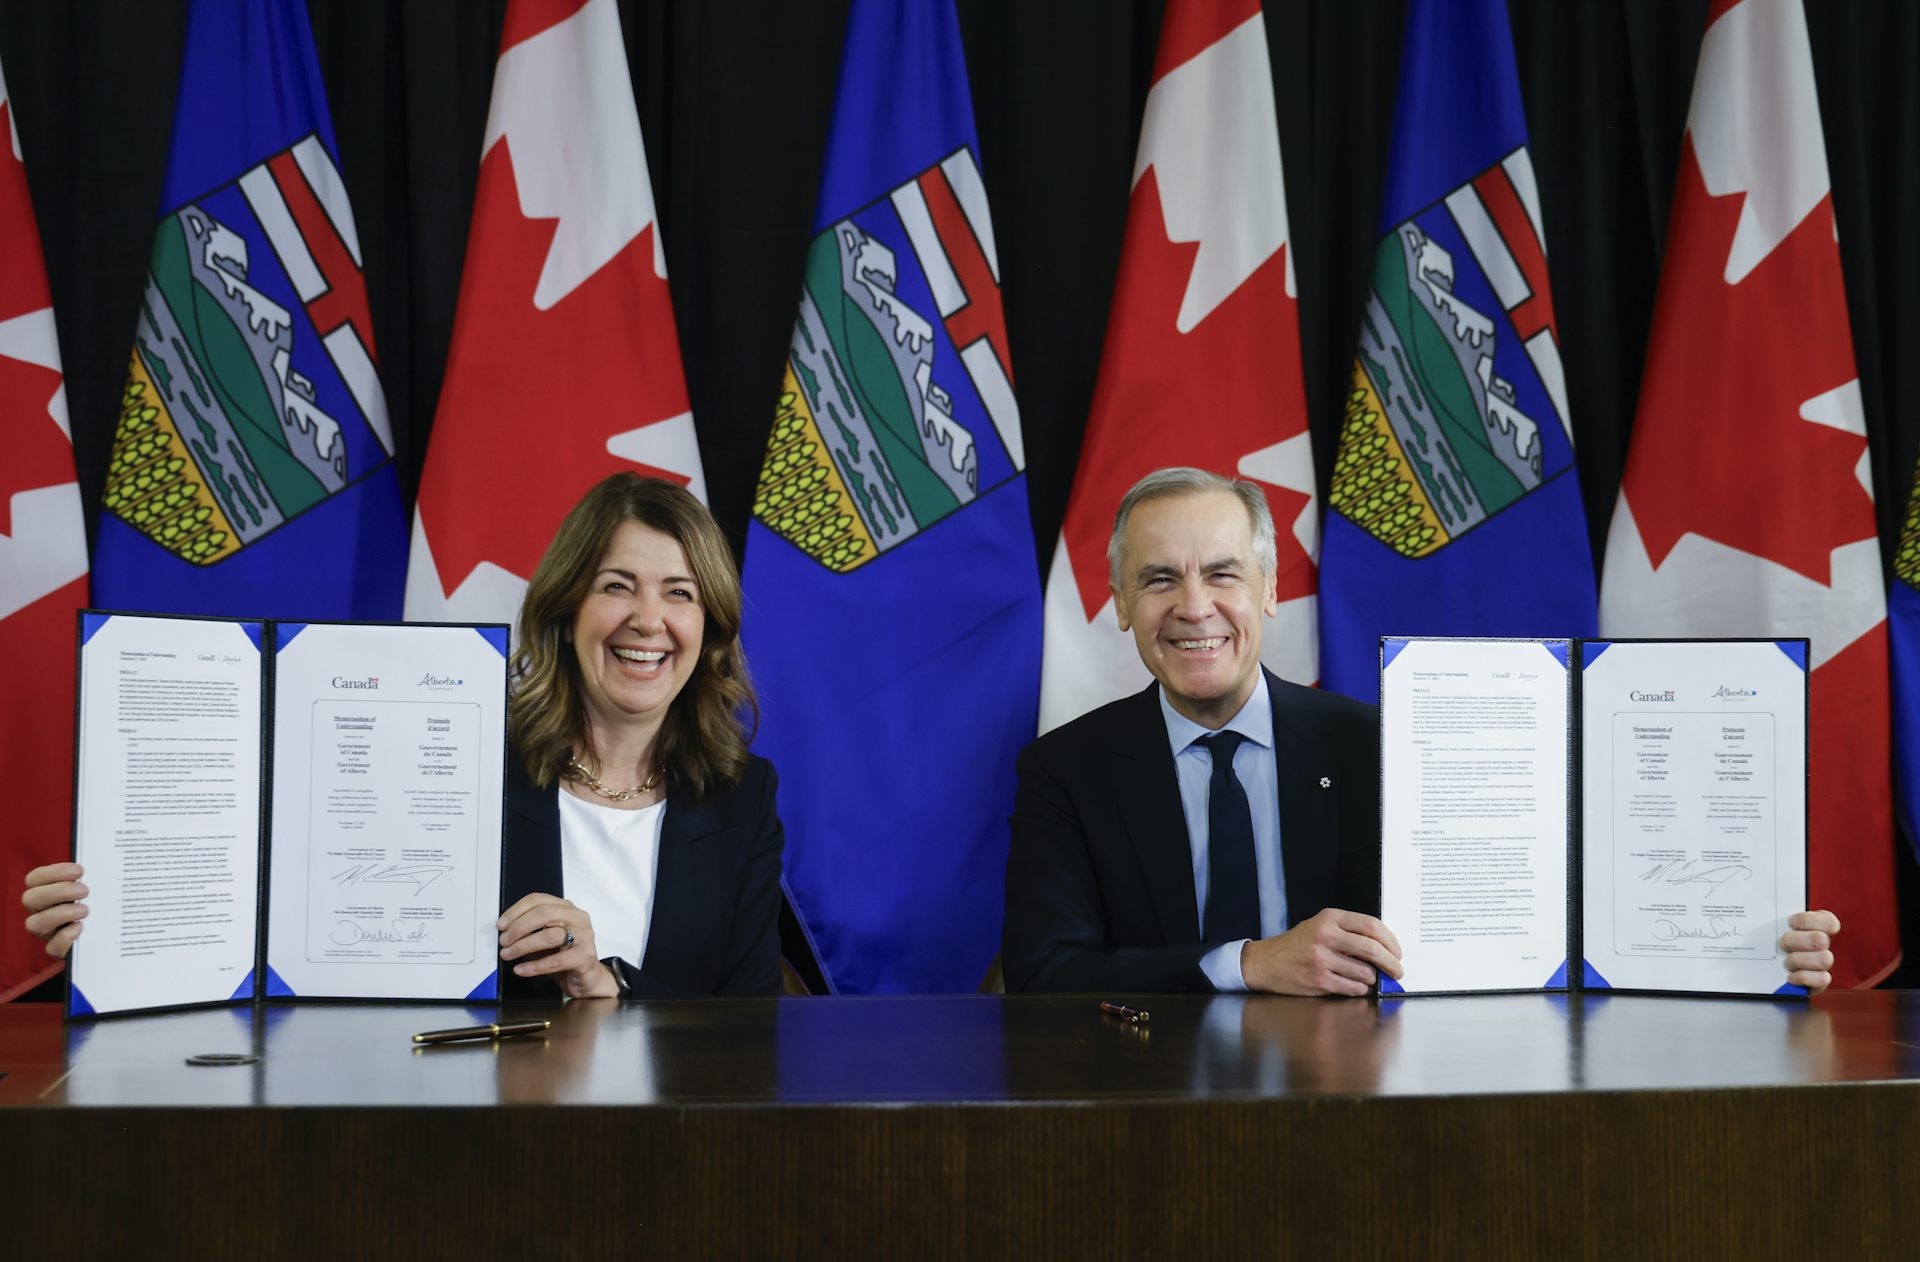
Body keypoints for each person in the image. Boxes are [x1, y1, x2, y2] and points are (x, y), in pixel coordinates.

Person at [1002, 466, 1841, 996]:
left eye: (1223, 573)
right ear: (1118, 604)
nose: (1194, 607)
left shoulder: (1385, 747)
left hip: (1372, 1111)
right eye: (1158, 580)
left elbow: (1540, 929)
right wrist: (1249, 963)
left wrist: (1743, 948)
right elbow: (1045, 975)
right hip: (1149, 1110)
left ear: (1269, 590)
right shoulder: (1063, 771)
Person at [23, 474, 784, 998]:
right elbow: (298, 929)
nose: (648, 620)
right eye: (617, 586)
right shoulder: (458, 766)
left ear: (709, 625)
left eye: (679, 593)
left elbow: (749, 1030)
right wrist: (122, 931)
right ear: (565, 608)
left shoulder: (744, 799)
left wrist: (603, 983)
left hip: (678, 1167)